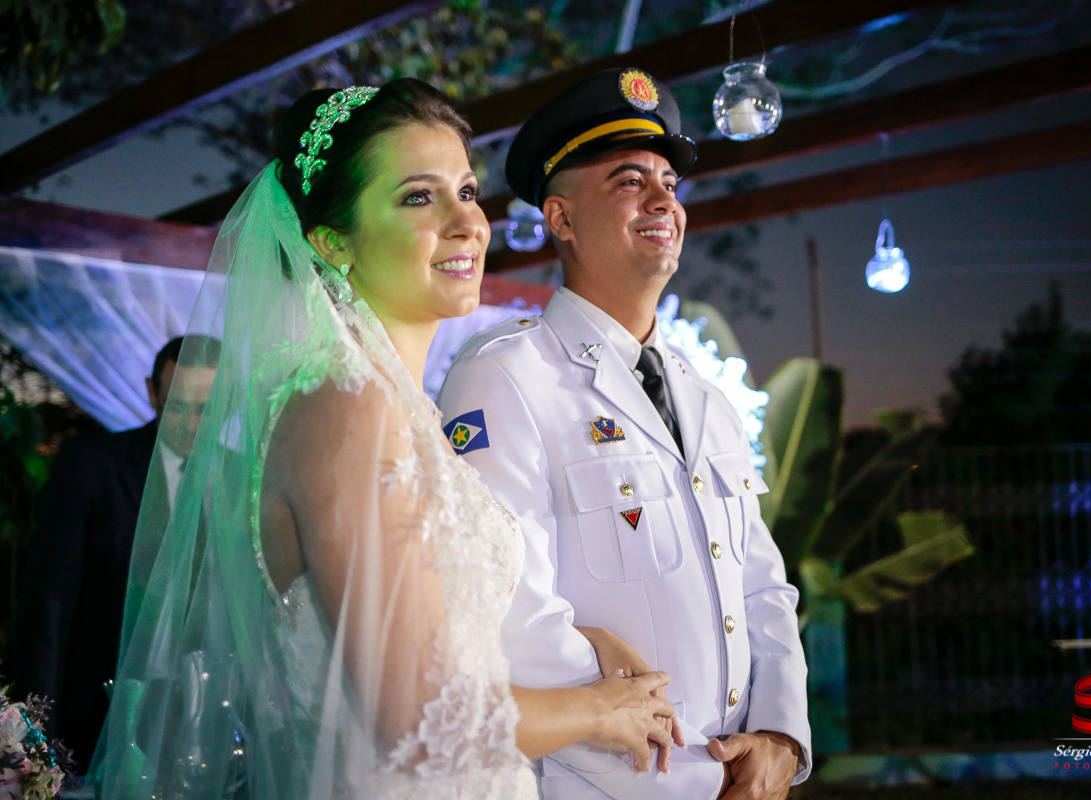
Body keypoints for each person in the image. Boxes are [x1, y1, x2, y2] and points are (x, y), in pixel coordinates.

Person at [90, 79, 679, 800]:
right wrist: (600, 711)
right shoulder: (344, 407)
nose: (466, 223)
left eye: (466, 190)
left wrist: (584, 646)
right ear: (333, 242)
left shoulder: (401, 409)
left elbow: (438, 632)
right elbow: (420, 720)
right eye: (418, 198)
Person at [438, 68, 812, 800]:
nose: (663, 200)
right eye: (629, 180)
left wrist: (779, 735)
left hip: (742, 780)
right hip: (602, 781)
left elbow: (764, 584)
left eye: (670, 182)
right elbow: (505, 599)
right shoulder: (507, 378)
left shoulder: (708, 397)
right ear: (562, 218)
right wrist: (608, 716)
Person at [9, 336, 215, 768]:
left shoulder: (242, 477)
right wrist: (32, 735)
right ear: (152, 391)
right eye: (177, 405)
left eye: (205, 408)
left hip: (203, 717)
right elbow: (48, 602)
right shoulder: (91, 464)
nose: (192, 423)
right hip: (98, 711)